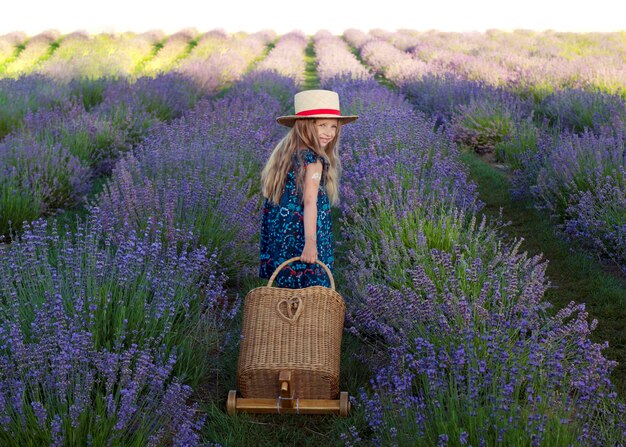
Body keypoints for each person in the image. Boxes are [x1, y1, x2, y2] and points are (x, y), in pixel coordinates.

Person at [259, 89, 358, 288]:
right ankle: (308, 318)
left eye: (333, 126)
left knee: (289, 284)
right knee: (311, 285)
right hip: (303, 233)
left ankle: (287, 316)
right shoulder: (314, 161)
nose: (329, 132)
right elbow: (310, 202)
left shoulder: (289, 153)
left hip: (283, 232)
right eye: (322, 125)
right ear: (305, 126)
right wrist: (311, 242)